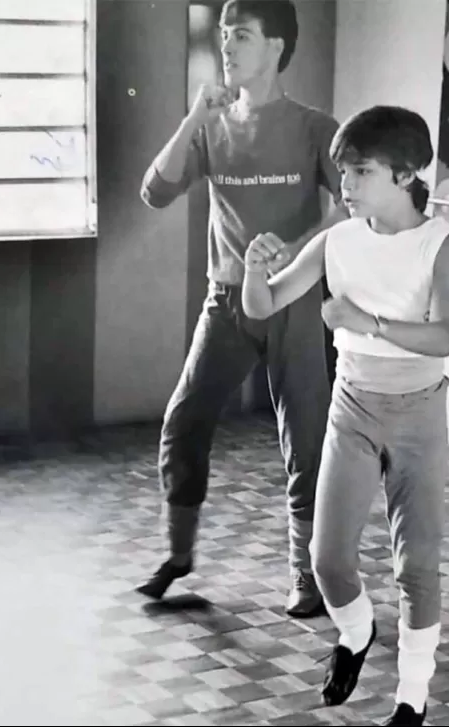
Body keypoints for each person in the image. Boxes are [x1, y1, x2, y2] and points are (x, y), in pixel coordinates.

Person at [241, 106, 449, 726]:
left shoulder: (442, 245)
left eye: (360, 170)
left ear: (404, 174)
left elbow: (446, 335)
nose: (344, 183)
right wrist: (252, 271)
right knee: (327, 560)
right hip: (353, 407)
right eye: (342, 170)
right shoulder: (336, 240)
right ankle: (356, 631)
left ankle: (410, 699)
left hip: (421, 413)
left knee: (416, 564)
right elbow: (265, 304)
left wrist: (365, 323)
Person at [137, 0, 347, 617]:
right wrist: (190, 119)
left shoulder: (314, 126)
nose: (228, 47)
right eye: (225, 36)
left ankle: (306, 579)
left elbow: (350, 209)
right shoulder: (212, 124)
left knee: (303, 444)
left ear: (276, 46)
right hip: (226, 301)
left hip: (295, 302)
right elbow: (154, 192)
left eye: (243, 36)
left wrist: (298, 248)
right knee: (183, 422)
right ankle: (178, 557)